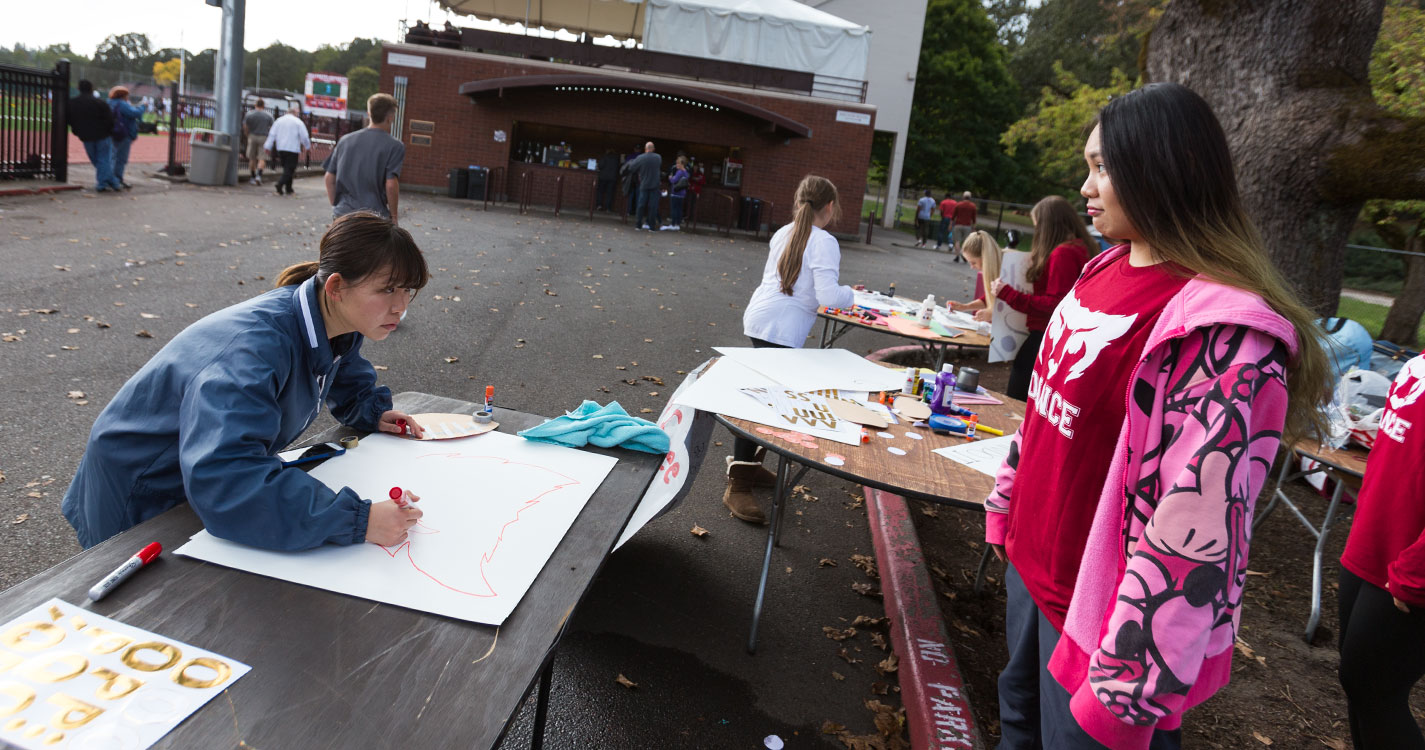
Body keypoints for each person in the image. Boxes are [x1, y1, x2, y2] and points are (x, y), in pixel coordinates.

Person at [985, 82, 1331, 750]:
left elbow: (1199, 519)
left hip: (1107, 624)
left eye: (1101, 167)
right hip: (1031, 568)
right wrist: (1006, 505)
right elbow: (1045, 411)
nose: (1085, 187)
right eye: (1087, 166)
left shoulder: (1225, 333)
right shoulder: (1099, 270)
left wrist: (1134, 678)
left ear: (1162, 166)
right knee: (1016, 726)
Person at [62, 213, 434, 551]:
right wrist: (358, 519)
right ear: (336, 286)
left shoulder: (333, 322)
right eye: (387, 289)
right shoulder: (253, 352)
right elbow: (227, 477)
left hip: (194, 478)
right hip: (142, 489)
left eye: (408, 290)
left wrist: (371, 410)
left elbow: (339, 368)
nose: (401, 306)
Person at [729, 175, 854, 522]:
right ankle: (738, 484)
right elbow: (829, 296)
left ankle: (749, 469)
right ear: (829, 207)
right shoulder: (824, 240)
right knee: (763, 404)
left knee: (767, 398)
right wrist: (852, 295)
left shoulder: (784, 231)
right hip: (781, 328)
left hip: (761, 319)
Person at [1338, 352, 1425, 750]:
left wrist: (1417, 573)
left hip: (1412, 563)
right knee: (1359, 686)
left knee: (1377, 691)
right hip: (1373, 540)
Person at [993, 195, 1095, 401]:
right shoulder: (1081, 247)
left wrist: (1007, 293)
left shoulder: (1062, 253)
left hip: (1046, 335)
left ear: (1047, 225)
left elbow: (1054, 304)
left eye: (1037, 225)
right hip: (1062, 337)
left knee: (1017, 397)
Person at [324, 94, 405, 224]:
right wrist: (394, 217)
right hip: (374, 217)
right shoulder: (395, 146)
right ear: (390, 117)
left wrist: (336, 205)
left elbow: (329, 178)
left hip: (343, 214)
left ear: (369, 114)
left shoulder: (345, 140)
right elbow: (391, 184)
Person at [947, 230, 1011, 324]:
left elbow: (1014, 302)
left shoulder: (1008, 269)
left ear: (986, 258)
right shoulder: (998, 266)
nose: (972, 267)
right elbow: (990, 297)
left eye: (974, 263)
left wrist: (993, 313)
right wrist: (965, 307)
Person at [68, 80, 120, 192]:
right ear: (91, 89)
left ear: (78, 88)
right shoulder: (100, 103)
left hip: (86, 136)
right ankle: (110, 182)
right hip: (103, 135)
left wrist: (77, 131)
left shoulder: (72, 103)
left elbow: (70, 120)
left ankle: (106, 183)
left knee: (96, 160)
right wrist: (108, 131)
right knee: (103, 160)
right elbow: (110, 119)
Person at [265, 108, 311, 196]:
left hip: (281, 147)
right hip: (293, 148)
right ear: (295, 113)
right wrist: (307, 147)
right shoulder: (298, 122)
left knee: (287, 168)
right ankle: (280, 184)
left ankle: (289, 188)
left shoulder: (279, 121)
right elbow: (304, 136)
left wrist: (268, 146)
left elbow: (272, 134)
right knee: (290, 169)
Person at [107, 86, 143, 190]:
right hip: (123, 133)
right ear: (123, 95)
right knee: (121, 158)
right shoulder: (122, 104)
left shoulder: (109, 102)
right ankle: (117, 179)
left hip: (112, 133)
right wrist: (143, 107)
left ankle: (110, 179)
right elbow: (134, 113)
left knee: (112, 156)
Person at [625, 141, 662, 230]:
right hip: (655, 185)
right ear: (653, 149)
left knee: (641, 205)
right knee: (653, 206)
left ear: (645, 149)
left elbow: (631, 168)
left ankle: (638, 225)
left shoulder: (641, 157)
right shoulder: (658, 157)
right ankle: (651, 226)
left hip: (644, 184)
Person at [243, 98, 275, 186]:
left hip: (252, 136)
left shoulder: (249, 114)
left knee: (252, 158)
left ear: (255, 105)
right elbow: (272, 127)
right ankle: (259, 176)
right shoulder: (268, 115)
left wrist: (247, 134)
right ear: (263, 106)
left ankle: (252, 177)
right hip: (264, 137)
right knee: (262, 158)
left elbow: (245, 125)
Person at [666, 156, 690, 231]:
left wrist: (670, 178)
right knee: (679, 209)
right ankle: (677, 224)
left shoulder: (679, 172)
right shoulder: (686, 172)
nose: (676, 165)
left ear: (682, 164)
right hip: (682, 193)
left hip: (675, 193)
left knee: (674, 209)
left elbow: (674, 180)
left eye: (678, 163)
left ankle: (673, 224)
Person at [952, 191, 978, 260]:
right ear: (970, 197)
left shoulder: (958, 205)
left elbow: (954, 216)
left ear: (963, 197)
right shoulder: (973, 206)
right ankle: (964, 254)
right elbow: (974, 218)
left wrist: (950, 224)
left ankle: (957, 255)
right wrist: (974, 227)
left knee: (957, 241)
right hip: (967, 226)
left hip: (958, 225)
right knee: (965, 242)